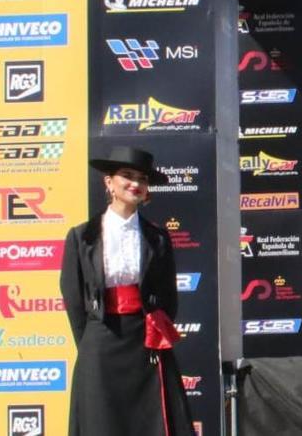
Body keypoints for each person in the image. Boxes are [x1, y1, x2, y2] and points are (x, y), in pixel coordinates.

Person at [60, 146, 195, 436]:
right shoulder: (81, 236)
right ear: (108, 182)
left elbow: (168, 297)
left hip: (145, 341)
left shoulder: (157, 237)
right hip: (100, 340)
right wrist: (90, 340)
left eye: (142, 179)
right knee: (101, 420)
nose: (136, 184)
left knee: (151, 421)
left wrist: (151, 327)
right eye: (128, 176)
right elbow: (72, 297)